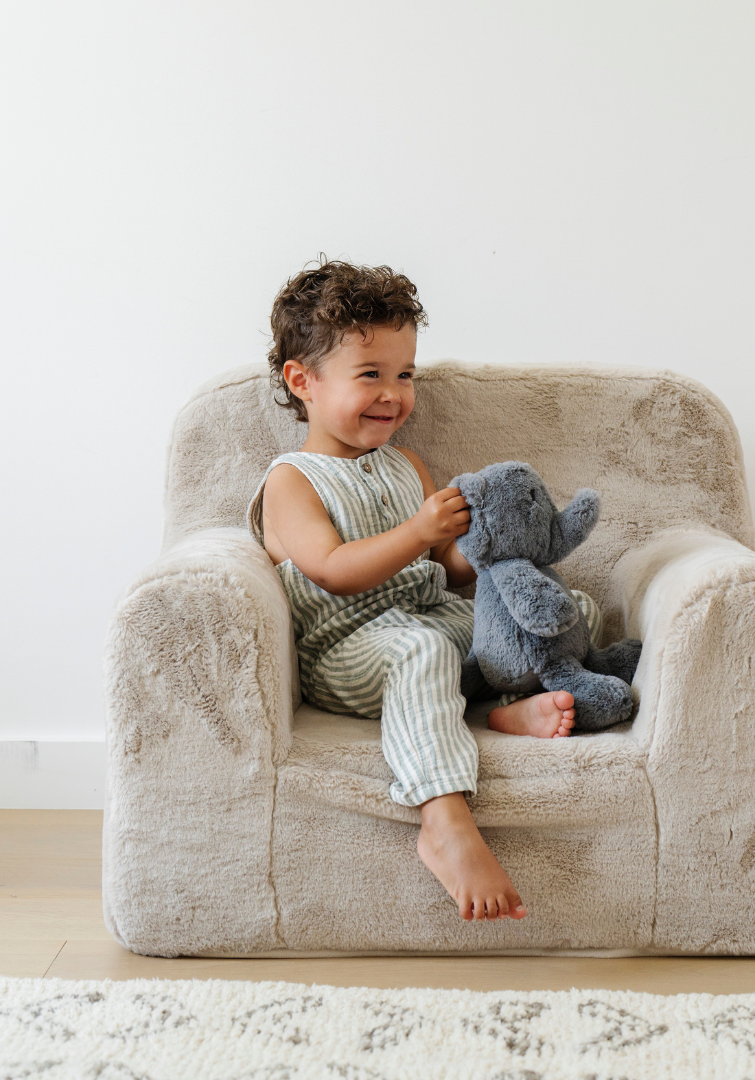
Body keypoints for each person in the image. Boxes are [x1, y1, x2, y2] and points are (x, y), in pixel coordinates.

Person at [246, 259, 605, 922]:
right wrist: (418, 529)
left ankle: (500, 704)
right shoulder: (291, 482)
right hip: (352, 649)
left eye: (404, 374)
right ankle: (443, 819)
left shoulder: (406, 463)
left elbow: (451, 569)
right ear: (304, 382)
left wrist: (489, 551)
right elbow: (331, 567)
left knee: (556, 609)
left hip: (432, 620)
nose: (393, 393)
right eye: (370, 375)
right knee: (420, 652)